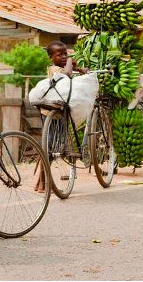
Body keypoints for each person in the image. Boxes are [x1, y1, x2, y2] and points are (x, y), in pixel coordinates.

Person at [34, 41, 87, 192]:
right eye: (60, 55)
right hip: (52, 113)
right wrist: (70, 62)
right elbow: (68, 74)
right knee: (49, 149)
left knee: (51, 148)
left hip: (60, 112)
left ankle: (40, 183)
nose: (64, 57)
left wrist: (80, 69)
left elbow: (72, 70)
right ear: (51, 57)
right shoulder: (53, 69)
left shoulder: (61, 67)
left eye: (66, 54)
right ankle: (43, 182)